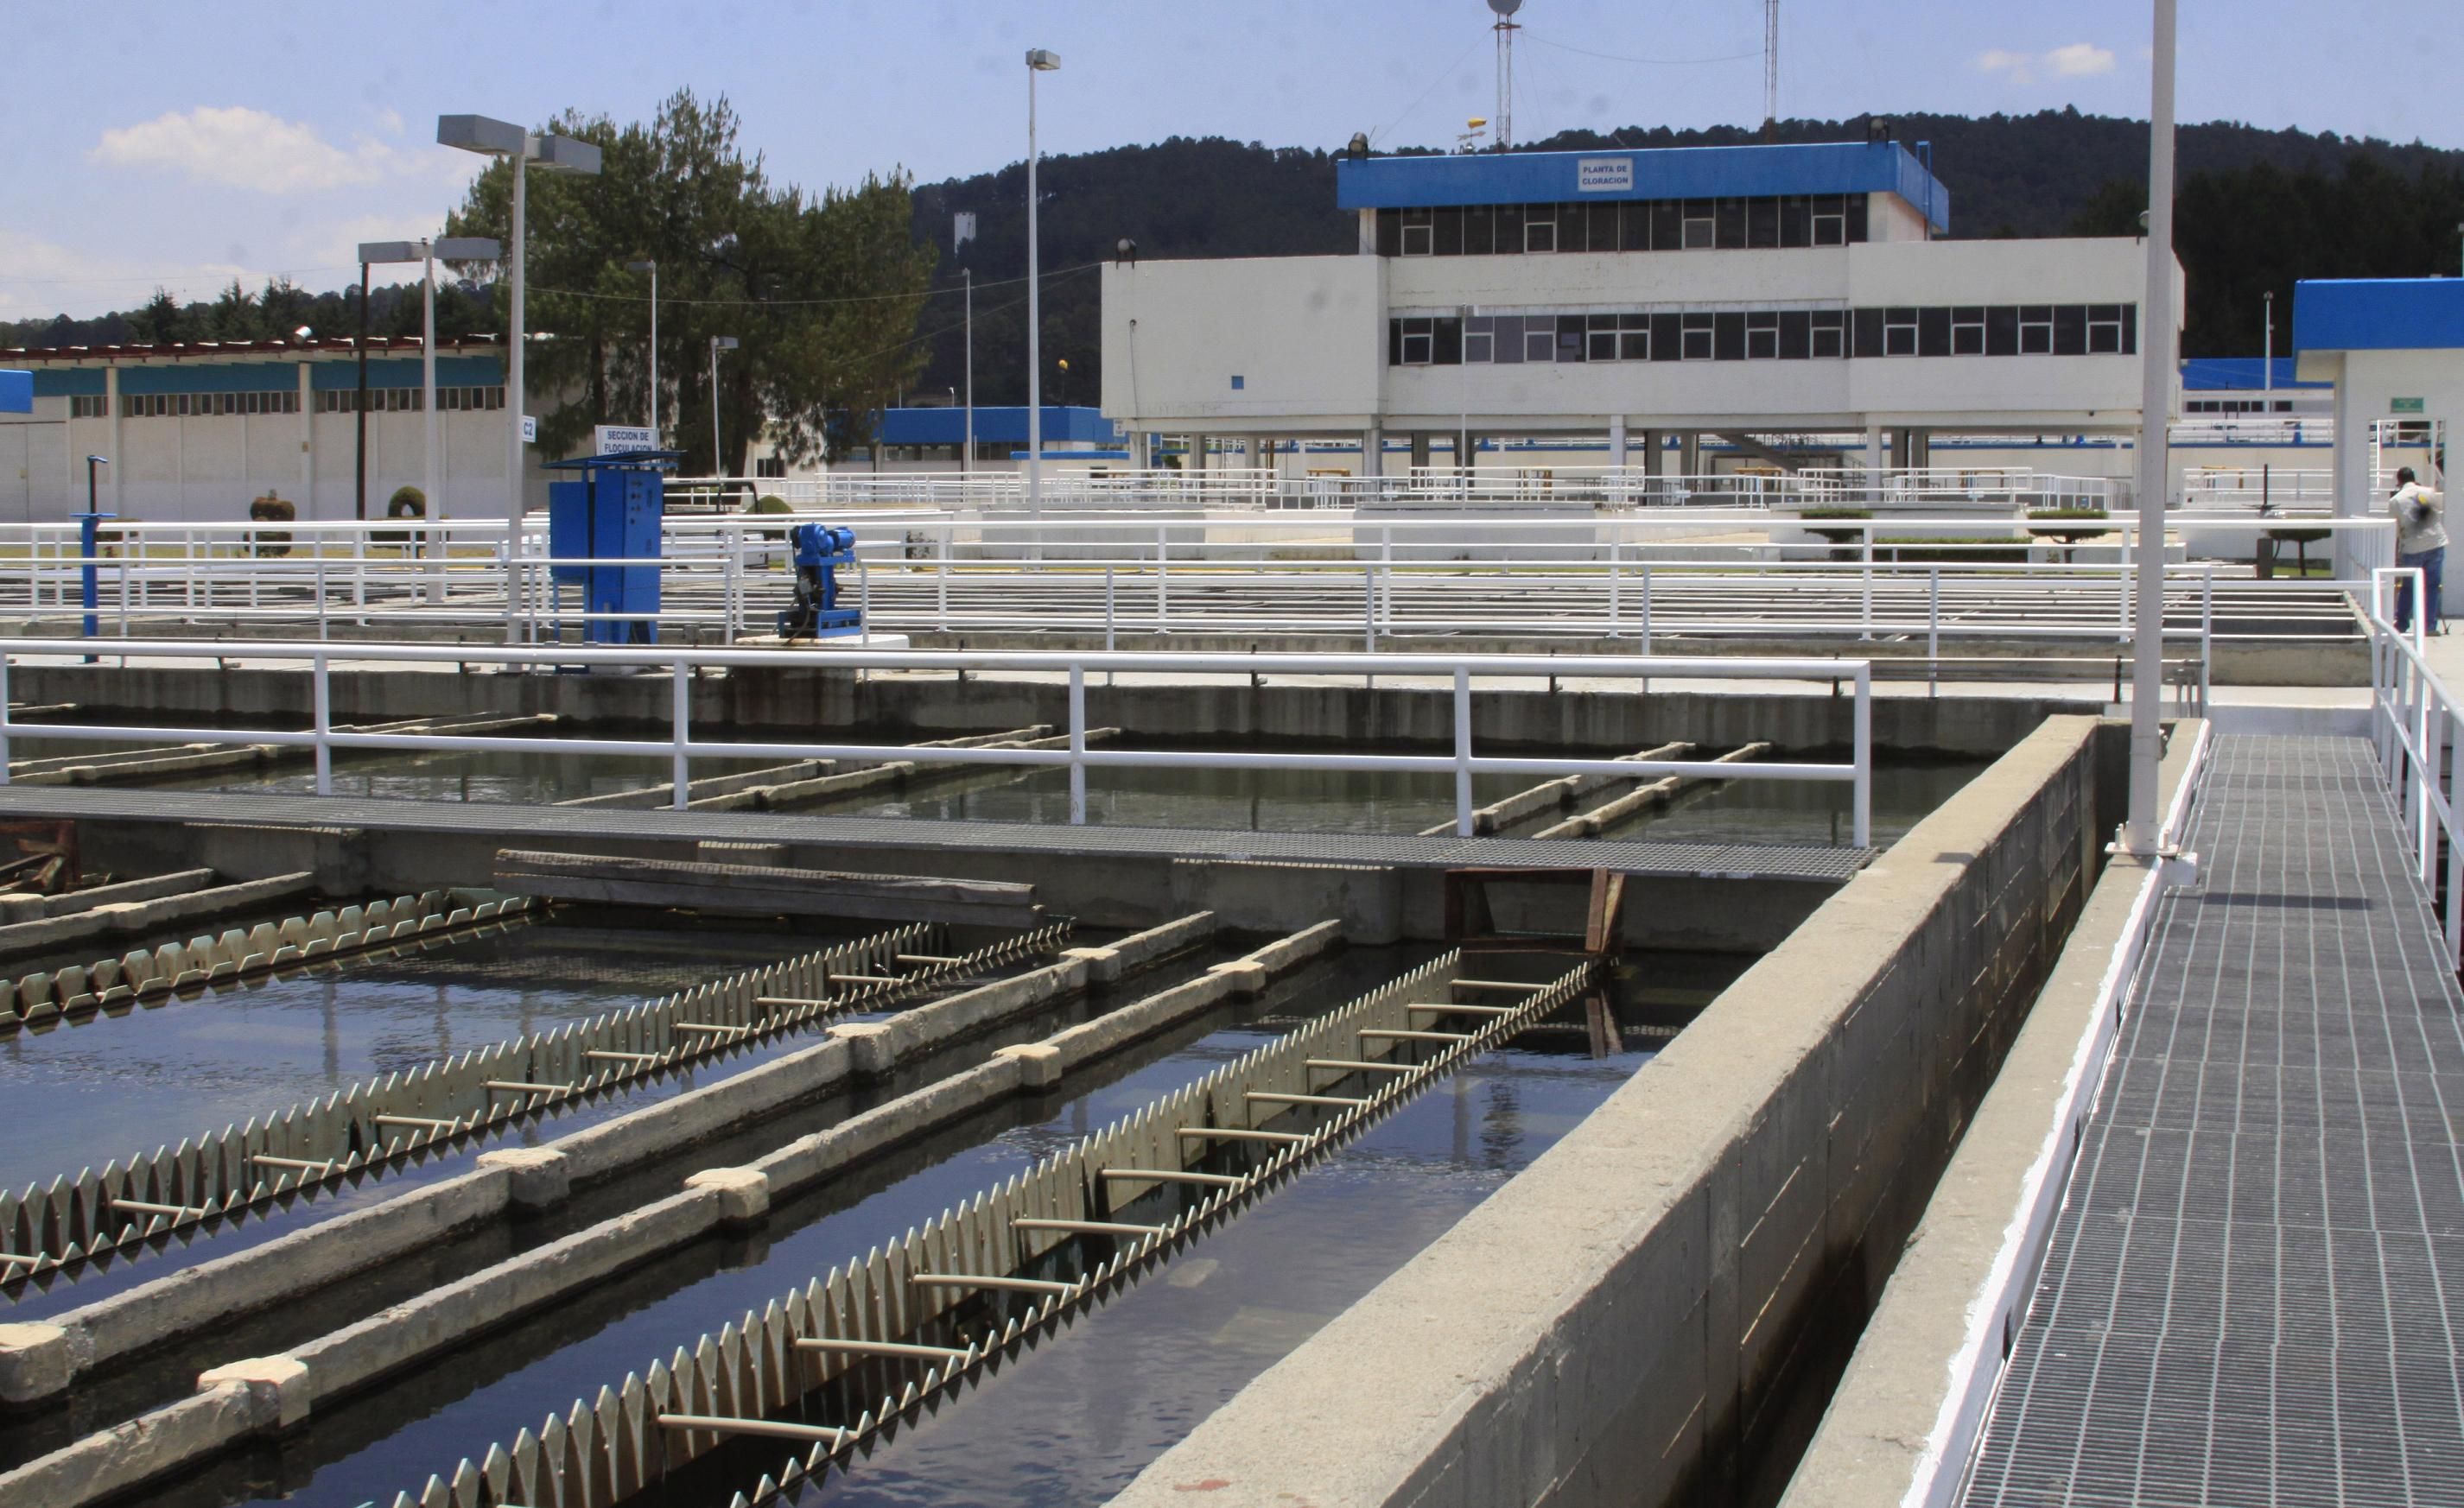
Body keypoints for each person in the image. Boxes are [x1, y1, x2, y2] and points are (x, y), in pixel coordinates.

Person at [2391, 462, 2448, 634]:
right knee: (2432, 586)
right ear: (2414, 479)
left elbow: (2395, 527)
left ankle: (2401, 624)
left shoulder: (2396, 500)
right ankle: (2429, 626)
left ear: (2399, 482)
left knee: (2408, 586)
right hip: (2435, 542)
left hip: (2413, 547)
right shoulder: (2429, 492)